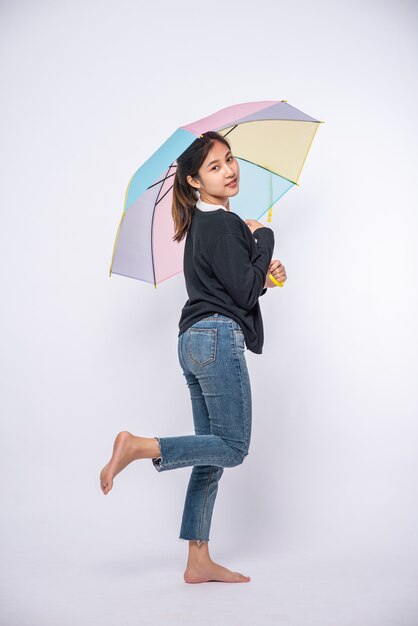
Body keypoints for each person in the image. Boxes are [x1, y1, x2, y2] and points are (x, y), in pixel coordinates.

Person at [100, 131, 287, 584]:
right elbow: (239, 292)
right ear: (193, 181)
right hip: (218, 339)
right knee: (234, 447)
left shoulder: (203, 226)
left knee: (211, 455)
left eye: (229, 159)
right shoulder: (225, 224)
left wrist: (265, 276)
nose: (229, 170)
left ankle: (197, 559)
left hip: (194, 342)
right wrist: (265, 238)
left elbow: (236, 286)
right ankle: (141, 446)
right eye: (215, 167)